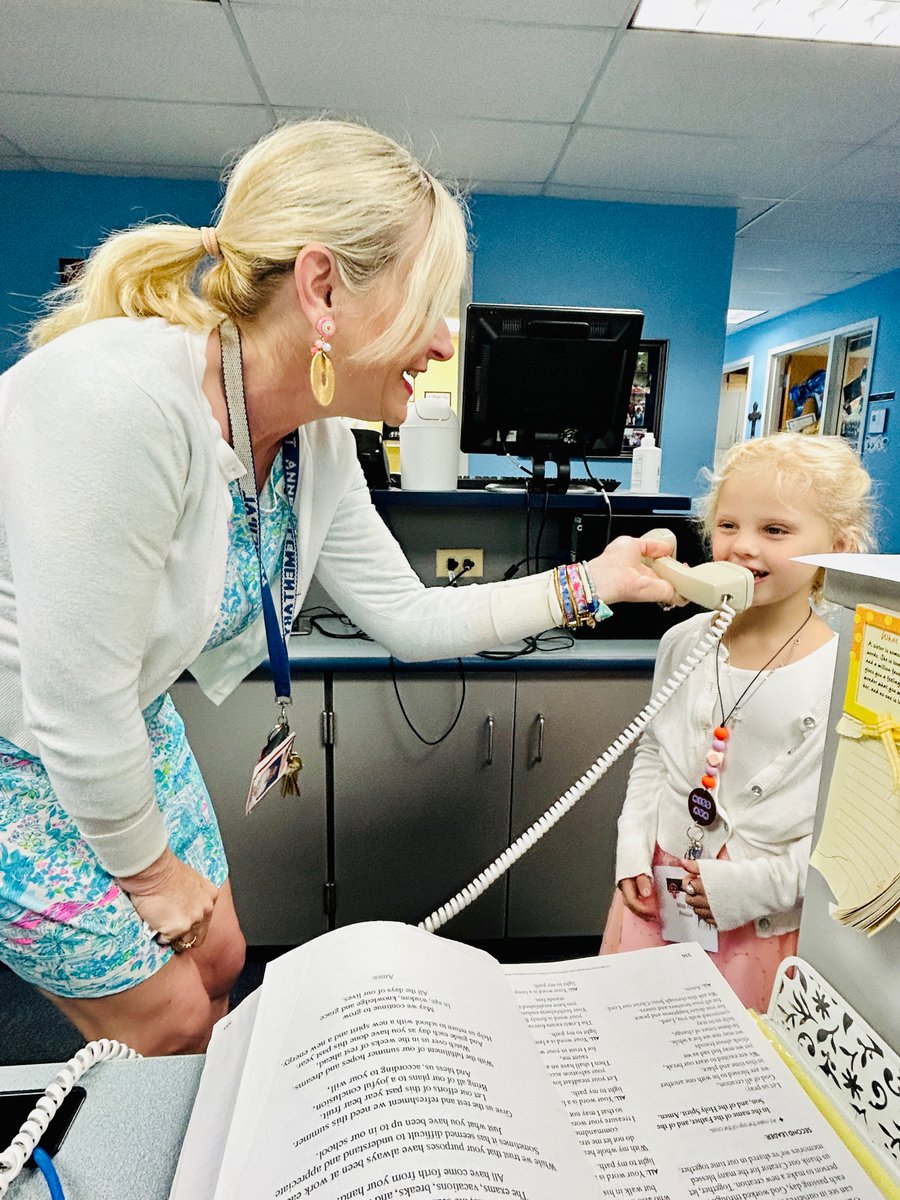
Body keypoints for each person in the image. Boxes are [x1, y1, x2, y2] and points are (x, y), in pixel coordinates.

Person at [0, 118, 677, 1056]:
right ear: (322, 287)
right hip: (19, 746)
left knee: (225, 956)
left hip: (125, 720)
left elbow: (406, 617)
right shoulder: (114, 400)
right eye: (428, 306)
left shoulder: (315, 439)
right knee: (172, 1019)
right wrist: (152, 878)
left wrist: (592, 582)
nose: (443, 343)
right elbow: (70, 703)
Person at [602, 432, 875, 1011]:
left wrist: (748, 890)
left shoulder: (842, 675)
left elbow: (846, 841)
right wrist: (632, 849)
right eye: (728, 526)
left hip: (756, 925)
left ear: (839, 548)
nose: (742, 547)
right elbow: (655, 753)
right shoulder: (684, 642)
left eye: (774, 530)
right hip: (660, 894)